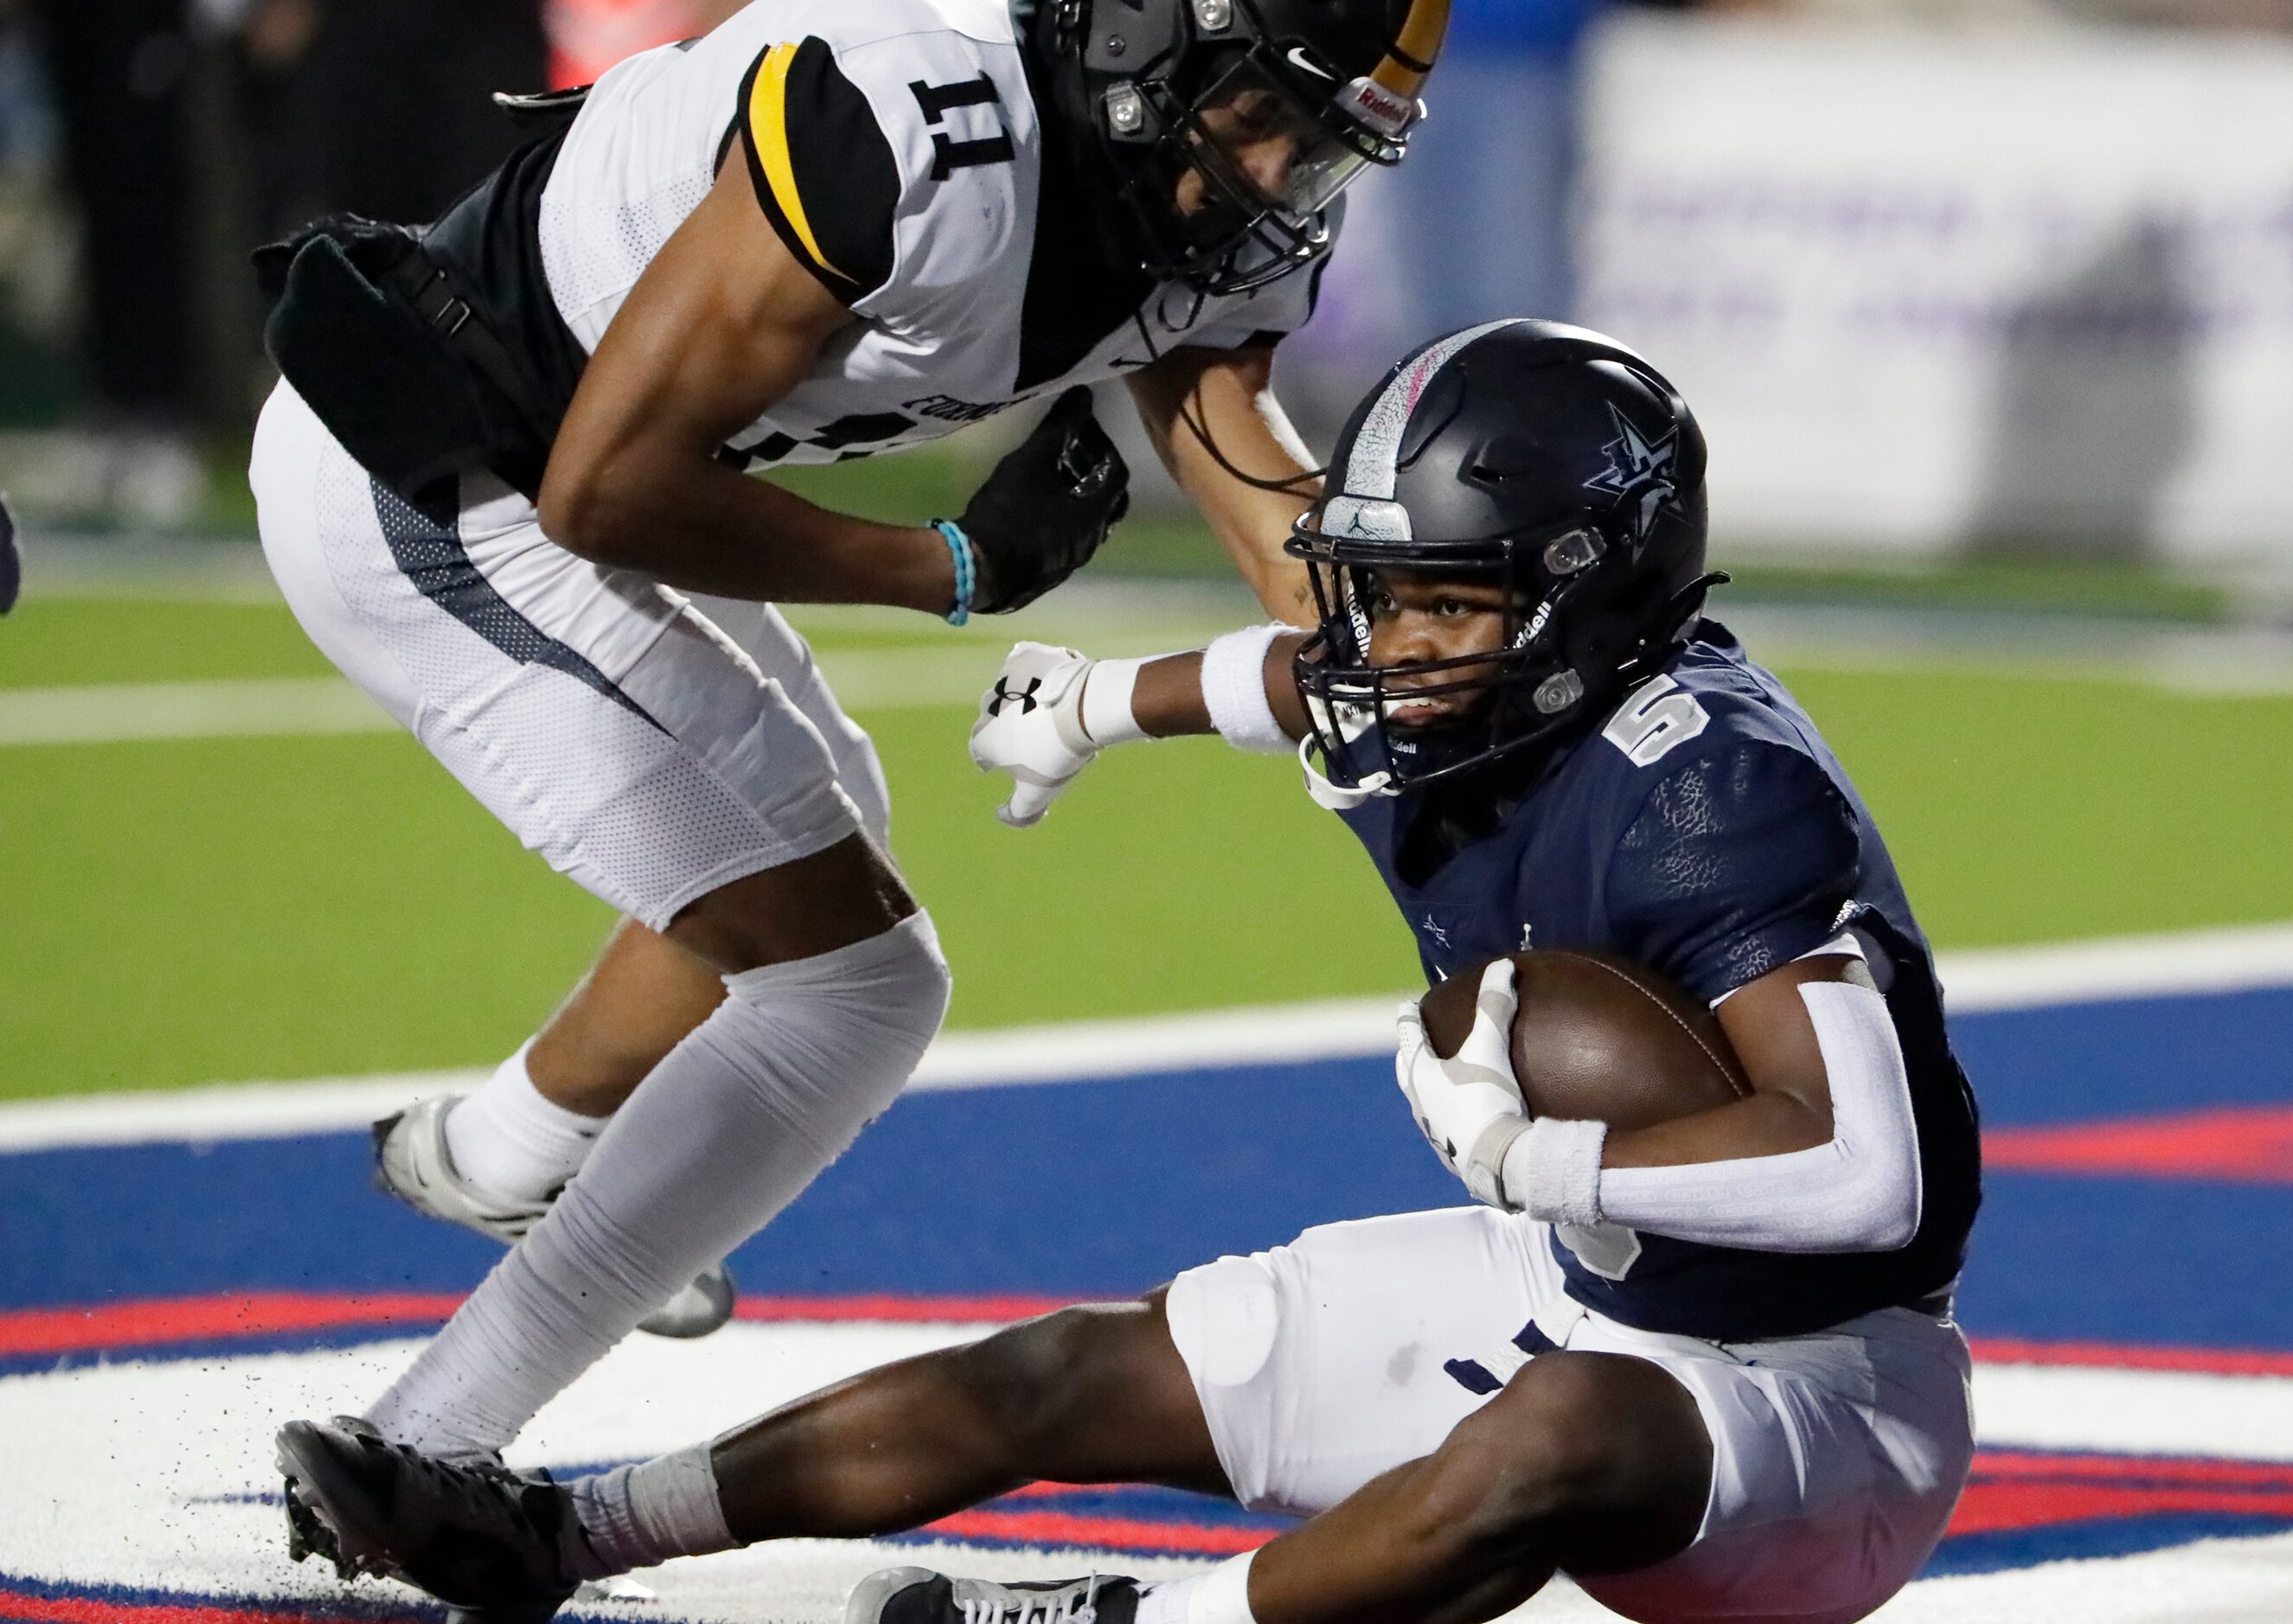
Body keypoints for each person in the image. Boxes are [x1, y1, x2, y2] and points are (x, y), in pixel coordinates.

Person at [274, 321, 1982, 1624]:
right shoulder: (1447, 686)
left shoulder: (1706, 787)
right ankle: (565, 1532)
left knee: (1555, 1439)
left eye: (1443, 607)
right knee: (1062, 1375)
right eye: (1379, 601)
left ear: (1586, 599)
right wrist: (1097, 704)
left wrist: (1533, 1157)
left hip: (1816, 1396)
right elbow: (1287, 678)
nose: (1389, 648)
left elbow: (1864, 1173)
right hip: (1587, 1287)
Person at [255, 0, 1455, 1502]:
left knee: (810, 838)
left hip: (561, 466)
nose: (1282, 175)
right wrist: (950, 565)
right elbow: (604, 489)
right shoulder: (917, 121)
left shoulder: (1209, 202)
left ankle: (500, 1154)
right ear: (1153, 39)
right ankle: (427, 1444)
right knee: (856, 983)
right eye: (1266, 115)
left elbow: (1259, 490)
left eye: (1331, 145)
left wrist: (1449, 644)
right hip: (436, 474)